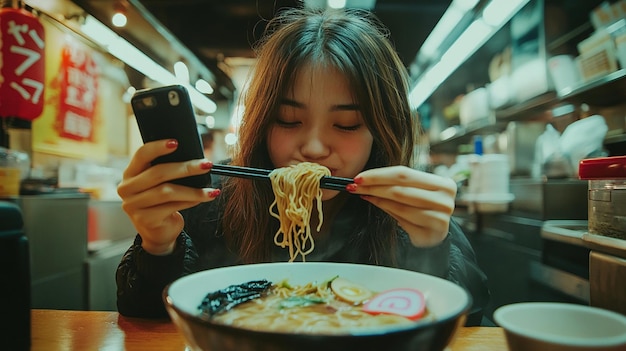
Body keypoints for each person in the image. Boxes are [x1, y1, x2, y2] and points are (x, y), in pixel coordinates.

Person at [116, 6, 490, 325]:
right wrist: (159, 246)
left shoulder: (408, 212)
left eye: (346, 125)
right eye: (287, 119)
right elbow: (146, 322)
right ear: (261, 123)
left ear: (382, 130)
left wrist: (433, 249)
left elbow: (469, 327)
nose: (313, 148)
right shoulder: (209, 199)